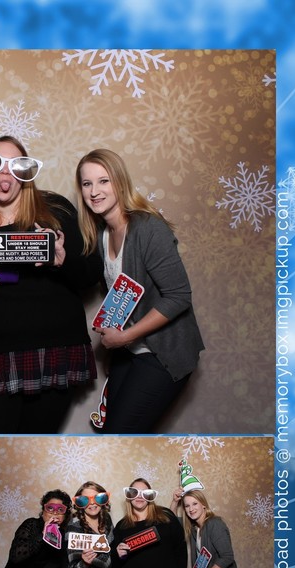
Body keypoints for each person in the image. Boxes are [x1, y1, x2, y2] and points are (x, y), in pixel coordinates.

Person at [0, 136, 101, 433]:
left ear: (25, 173)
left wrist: (63, 261)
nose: (5, 172)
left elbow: (91, 275)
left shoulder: (56, 211)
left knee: (34, 448)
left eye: (15, 165)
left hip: (55, 354)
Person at [76, 148, 205, 433]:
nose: (94, 192)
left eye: (103, 181)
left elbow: (179, 296)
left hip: (162, 353)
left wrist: (124, 337)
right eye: (87, 183)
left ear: (120, 182)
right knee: (109, 432)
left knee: (120, 434)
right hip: (128, 351)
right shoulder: (102, 234)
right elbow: (122, 294)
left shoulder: (148, 228)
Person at [112, 478, 187, 568]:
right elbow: (115, 564)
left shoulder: (166, 516)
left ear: (150, 496)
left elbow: (180, 548)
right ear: (129, 495)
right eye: (134, 492)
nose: (139, 496)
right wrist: (118, 554)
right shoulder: (121, 526)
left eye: (145, 493)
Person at [176, 489, 240, 568]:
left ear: (203, 505)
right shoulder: (194, 528)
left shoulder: (215, 524)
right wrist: (175, 502)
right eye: (187, 506)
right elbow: (171, 522)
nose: (191, 509)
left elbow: (227, 557)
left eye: (195, 504)